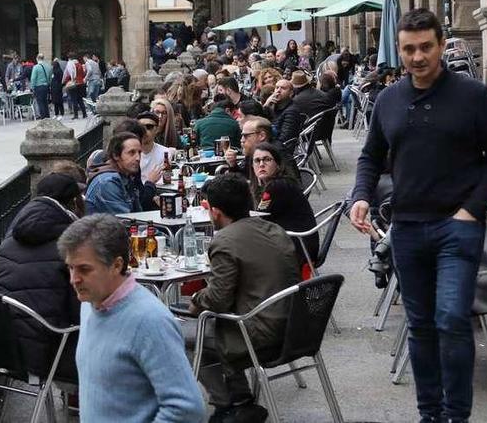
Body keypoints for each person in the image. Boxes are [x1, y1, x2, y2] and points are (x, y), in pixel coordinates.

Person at [349, 8, 487, 423]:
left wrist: (471, 211)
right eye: (409, 49)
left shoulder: (473, 96)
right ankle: (430, 415)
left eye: (425, 47)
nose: (417, 56)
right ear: (399, 52)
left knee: (452, 320)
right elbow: (371, 155)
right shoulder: (388, 99)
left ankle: (457, 416)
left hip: (456, 228)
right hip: (407, 229)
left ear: (441, 45)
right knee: (420, 326)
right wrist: (361, 195)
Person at [59, 214, 206, 422]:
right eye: (70, 268)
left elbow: (187, 409)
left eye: (84, 269)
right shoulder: (89, 303)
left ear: (116, 265)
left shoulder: (150, 320)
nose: (74, 279)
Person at [185, 173, 301, 422]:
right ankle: (240, 398)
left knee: (186, 336)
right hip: (296, 327)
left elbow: (217, 300)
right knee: (214, 326)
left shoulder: (224, 240)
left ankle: (229, 404)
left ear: (215, 212)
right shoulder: (275, 229)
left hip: (261, 335)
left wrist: (195, 298)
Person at [0, 172, 82, 380]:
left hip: (5, 349)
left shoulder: (12, 235)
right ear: (70, 203)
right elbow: (81, 310)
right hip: (49, 352)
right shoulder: (67, 246)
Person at [249, 142, 318, 272]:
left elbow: (259, 218)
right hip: (295, 241)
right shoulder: (277, 183)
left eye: (267, 159)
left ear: (278, 165)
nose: (261, 164)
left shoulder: (277, 186)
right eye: (257, 161)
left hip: (298, 248)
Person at [86, 132, 146, 215]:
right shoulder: (107, 182)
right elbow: (126, 220)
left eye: (139, 152)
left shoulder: (126, 176)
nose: (138, 158)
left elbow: (138, 215)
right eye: (131, 153)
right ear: (116, 155)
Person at [264, 79, 303, 157]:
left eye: (283, 88)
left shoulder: (292, 111)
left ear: (291, 93)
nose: (278, 91)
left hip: (280, 151)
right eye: (277, 87)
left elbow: (285, 138)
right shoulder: (274, 106)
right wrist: (266, 105)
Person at [136, 111, 172, 179]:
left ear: (157, 129)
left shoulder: (165, 153)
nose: (144, 131)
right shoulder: (130, 154)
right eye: (140, 127)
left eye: (149, 127)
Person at [63, 54, 87, 120]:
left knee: (74, 100)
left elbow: (69, 75)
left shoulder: (71, 65)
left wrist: (65, 81)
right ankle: (84, 114)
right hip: (81, 83)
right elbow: (83, 74)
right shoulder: (80, 65)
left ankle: (76, 115)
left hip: (74, 84)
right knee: (80, 100)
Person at [30, 54, 52, 119]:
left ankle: (43, 118)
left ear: (37, 58)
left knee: (40, 102)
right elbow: (50, 78)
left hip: (38, 87)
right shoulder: (48, 66)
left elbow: (33, 78)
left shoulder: (36, 67)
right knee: (45, 102)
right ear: (43, 58)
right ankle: (47, 117)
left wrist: (32, 87)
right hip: (46, 86)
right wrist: (48, 84)